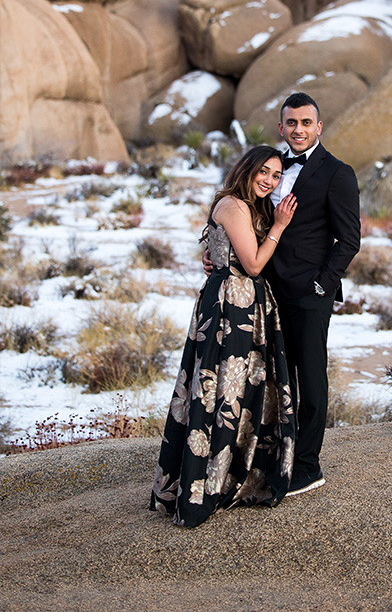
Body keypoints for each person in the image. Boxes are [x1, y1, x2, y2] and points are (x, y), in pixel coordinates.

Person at [204, 92, 361, 497]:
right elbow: (247, 220)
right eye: (292, 123)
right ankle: (275, 455)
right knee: (274, 378)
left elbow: (349, 240)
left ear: (319, 127)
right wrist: (220, 256)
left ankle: (308, 465)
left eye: (306, 123)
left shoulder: (337, 173)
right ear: (281, 127)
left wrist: (322, 285)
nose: (299, 130)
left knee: (309, 378)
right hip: (263, 290)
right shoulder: (271, 169)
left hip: (309, 294)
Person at [150, 145, 298, 528]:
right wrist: (279, 227)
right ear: (247, 169)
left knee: (239, 391)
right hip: (232, 305)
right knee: (219, 391)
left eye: (276, 175)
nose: (269, 179)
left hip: (244, 304)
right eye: (263, 171)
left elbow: (226, 252)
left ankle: (232, 475)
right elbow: (251, 264)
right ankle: (204, 486)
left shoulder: (248, 206)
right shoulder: (234, 205)